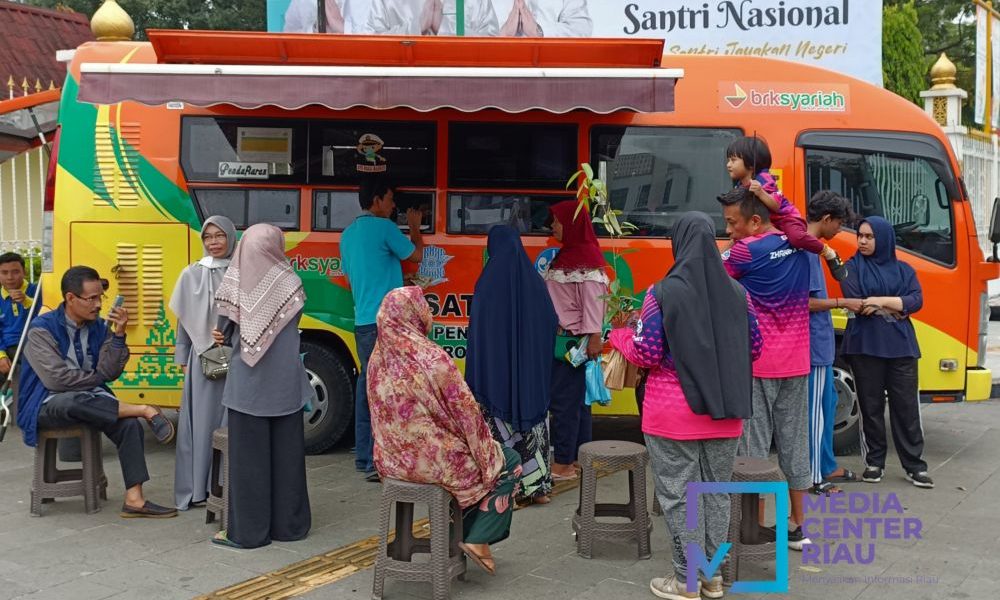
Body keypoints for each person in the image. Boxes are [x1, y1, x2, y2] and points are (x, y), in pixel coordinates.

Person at [610, 212, 762, 600]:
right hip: (726, 413)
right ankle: (711, 576)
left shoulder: (660, 293)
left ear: (678, 244)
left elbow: (646, 352)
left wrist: (619, 336)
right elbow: (755, 348)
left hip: (672, 414)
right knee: (714, 492)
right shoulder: (739, 295)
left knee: (679, 495)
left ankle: (686, 579)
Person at [367, 287, 522, 575]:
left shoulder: (377, 357)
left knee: (480, 460)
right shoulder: (431, 357)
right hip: (431, 465)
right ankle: (477, 539)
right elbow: (467, 413)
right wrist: (485, 450)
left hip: (389, 462)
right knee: (507, 461)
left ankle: (461, 536)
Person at [17, 266, 177, 518]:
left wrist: (119, 334)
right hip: (46, 404)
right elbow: (57, 380)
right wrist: (95, 379)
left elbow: (109, 372)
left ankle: (134, 499)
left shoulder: (99, 327)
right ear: (71, 298)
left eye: (100, 297)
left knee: (130, 425)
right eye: (91, 298)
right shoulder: (41, 329)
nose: (98, 304)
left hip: (92, 399)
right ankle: (145, 409)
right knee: (72, 400)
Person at [718, 187, 813, 551]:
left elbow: (711, 274)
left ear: (755, 220)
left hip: (759, 364)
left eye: (733, 222)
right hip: (797, 361)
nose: (729, 230)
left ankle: (753, 526)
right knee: (794, 444)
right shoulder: (800, 243)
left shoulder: (745, 251)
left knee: (753, 448)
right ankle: (797, 527)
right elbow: (792, 211)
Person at [211, 223, 313, 549]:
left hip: (249, 387)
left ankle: (249, 533)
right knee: (288, 458)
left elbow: (222, 332)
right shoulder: (291, 281)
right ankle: (290, 526)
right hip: (286, 385)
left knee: (248, 461)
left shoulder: (236, 282)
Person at [466, 225, 558, 505]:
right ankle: (538, 488)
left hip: (495, 381)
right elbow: (551, 323)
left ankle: (509, 489)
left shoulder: (486, 284)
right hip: (530, 381)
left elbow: (478, 336)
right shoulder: (534, 284)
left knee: (500, 428)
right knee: (534, 427)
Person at [341, 176, 424, 482]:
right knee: (392, 390)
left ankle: (366, 458)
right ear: (376, 201)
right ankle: (387, 460)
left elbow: (353, 279)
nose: (393, 206)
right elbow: (415, 255)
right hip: (389, 323)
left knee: (368, 387)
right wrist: (415, 228)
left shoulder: (348, 234)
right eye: (390, 200)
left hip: (363, 321)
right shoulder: (385, 228)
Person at [841, 217, 933, 489]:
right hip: (865, 346)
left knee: (906, 407)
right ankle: (874, 462)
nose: (863, 241)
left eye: (869, 236)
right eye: (860, 235)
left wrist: (879, 301)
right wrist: (897, 305)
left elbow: (916, 300)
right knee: (870, 407)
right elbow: (856, 300)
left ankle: (915, 466)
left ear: (884, 239)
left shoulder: (904, 270)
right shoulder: (852, 268)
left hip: (901, 348)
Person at [168, 216, 236, 511]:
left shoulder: (241, 273)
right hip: (201, 363)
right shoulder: (190, 274)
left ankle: (225, 486)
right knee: (200, 426)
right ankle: (198, 490)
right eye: (208, 237)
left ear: (231, 237)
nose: (214, 242)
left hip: (234, 358)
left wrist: (230, 335)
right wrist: (183, 358)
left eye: (220, 235)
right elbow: (184, 322)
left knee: (228, 424)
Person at [544, 200, 607, 482]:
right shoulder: (568, 256)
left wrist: (594, 336)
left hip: (572, 343)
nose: (552, 226)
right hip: (571, 341)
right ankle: (580, 457)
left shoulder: (586, 261)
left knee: (564, 404)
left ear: (571, 224)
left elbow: (594, 304)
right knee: (578, 403)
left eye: (557, 221)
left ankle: (563, 464)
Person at [803, 192, 861, 495]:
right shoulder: (808, 253)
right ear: (826, 219)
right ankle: (814, 478)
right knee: (816, 413)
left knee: (829, 403)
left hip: (821, 346)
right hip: (813, 348)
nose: (840, 231)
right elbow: (806, 303)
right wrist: (842, 302)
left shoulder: (815, 250)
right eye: (839, 224)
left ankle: (825, 464)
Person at [725, 136, 846, 280]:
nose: (728, 165)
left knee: (796, 238)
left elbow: (776, 206)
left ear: (751, 164)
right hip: (770, 222)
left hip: (786, 218)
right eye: (729, 160)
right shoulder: (740, 186)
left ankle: (828, 253)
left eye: (733, 160)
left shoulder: (764, 179)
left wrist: (760, 192)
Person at [365, 0, 498, 36]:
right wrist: (416, 27)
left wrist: (444, 28)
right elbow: (369, 48)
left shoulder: (476, 2)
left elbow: (494, 50)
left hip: (464, 93)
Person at [0, 252, 38, 379]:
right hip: (7, 346)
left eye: (15, 272)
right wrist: (1, 355)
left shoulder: (37, 290)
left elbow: (48, 314)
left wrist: (26, 301)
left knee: (24, 375)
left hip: (34, 343)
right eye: (4, 273)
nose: (10, 277)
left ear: (24, 272)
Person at [495, 0, 592, 37]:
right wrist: (502, 34)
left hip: (551, 72)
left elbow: (581, 29)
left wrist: (539, 32)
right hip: (495, 73)